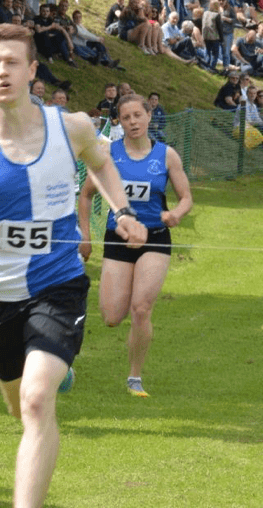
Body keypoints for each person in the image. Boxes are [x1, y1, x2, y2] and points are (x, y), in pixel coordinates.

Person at [0, 23, 147, 508]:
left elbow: (102, 163)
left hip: (58, 284)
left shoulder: (71, 128)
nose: (2, 72)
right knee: (18, 403)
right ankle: (52, 373)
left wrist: (124, 211)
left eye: (12, 63)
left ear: (31, 70)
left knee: (35, 400)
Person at [78, 93, 192, 398]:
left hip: (155, 237)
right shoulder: (108, 153)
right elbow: (86, 195)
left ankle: (135, 377)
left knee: (141, 308)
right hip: (118, 238)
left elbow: (186, 198)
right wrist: (85, 234)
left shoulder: (167, 156)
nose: (133, 122)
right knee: (112, 317)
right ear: (120, 121)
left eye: (137, 116)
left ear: (148, 116)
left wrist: (175, 214)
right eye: (126, 117)